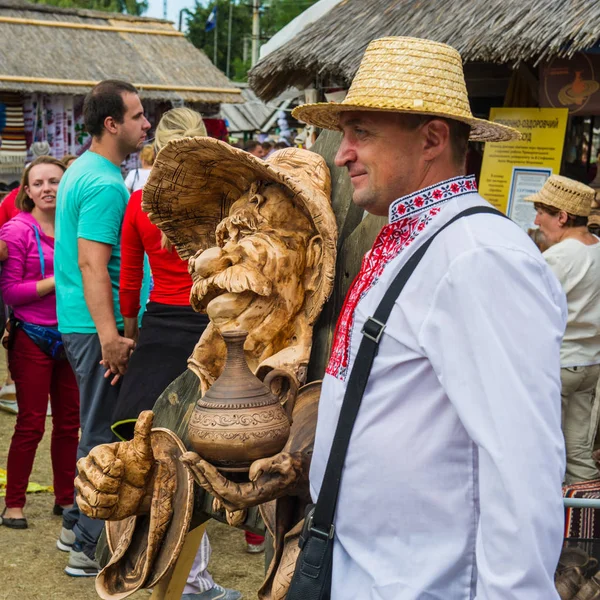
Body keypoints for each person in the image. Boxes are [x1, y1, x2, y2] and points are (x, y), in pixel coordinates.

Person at [287, 36, 567, 599]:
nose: (342, 154)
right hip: (378, 570)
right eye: (345, 134)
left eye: (361, 132)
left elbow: (522, 463)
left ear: (433, 139)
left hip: (428, 583)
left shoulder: (480, 256)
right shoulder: (421, 237)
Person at [113, 106, 240, 600]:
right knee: (193, 456)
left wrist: (127, 333)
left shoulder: (139, 202)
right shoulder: (224, 202)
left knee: (155, 452)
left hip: (160, 327)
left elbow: (128, 275)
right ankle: (192, 582)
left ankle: (178, 575)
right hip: (210, 325)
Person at [54, 79, 150, 577]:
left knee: (94, 426)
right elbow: (94, 266)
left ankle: (74, 523)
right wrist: (111, 336)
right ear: (111, 124)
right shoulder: (106, 184)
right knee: (104, 435)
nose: (146, 123)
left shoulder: (83, 170)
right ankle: (87, 546)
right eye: (137, 116)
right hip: (96, 326)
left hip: (83, 321)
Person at [0, 156, 79, 529]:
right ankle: (13, 504)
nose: (47, 188)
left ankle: (66, 498)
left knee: (69, 424)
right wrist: (60, 279)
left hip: (74, 337)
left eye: (55, 181)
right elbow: (11, 293)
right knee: (31, 424)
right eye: (39, 183)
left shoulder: (77, 226)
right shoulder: (16, 231)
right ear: (27, 192)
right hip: (31, 336)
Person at [528, 175, 600, 484]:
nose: (536, 220)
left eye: (542, 212)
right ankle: (585, 521)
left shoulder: (558, 257)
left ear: (562, 216)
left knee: (541, 450)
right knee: (579, 453)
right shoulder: (598, 248)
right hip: (589, 365)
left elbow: (529, 310)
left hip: (557, 365)